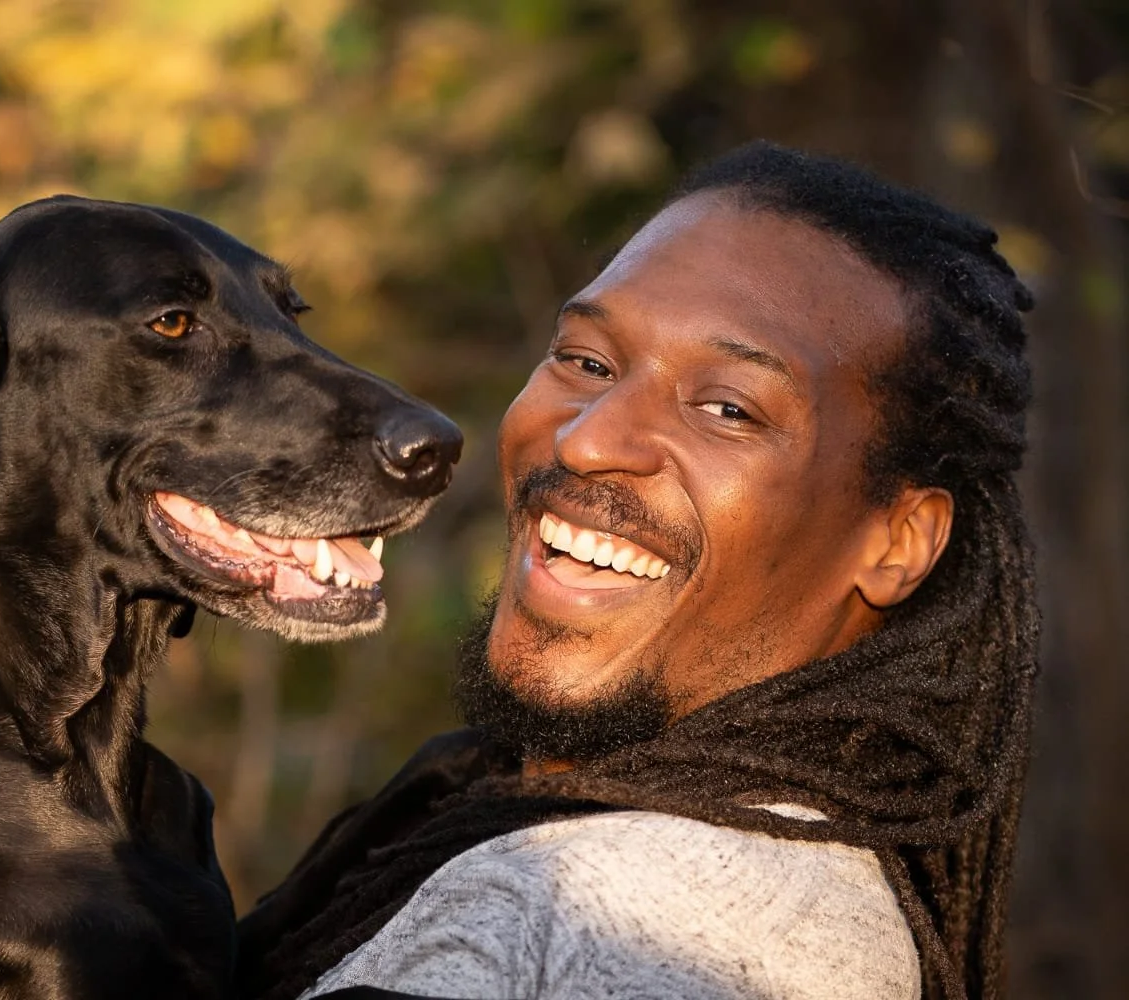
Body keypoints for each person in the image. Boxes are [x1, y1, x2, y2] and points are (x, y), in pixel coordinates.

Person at [234, 142, 1039, 1000]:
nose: (587, 439)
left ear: (898, 540)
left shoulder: (663, 925)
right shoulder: (495, 825)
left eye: (727, 409)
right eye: (586, 361)